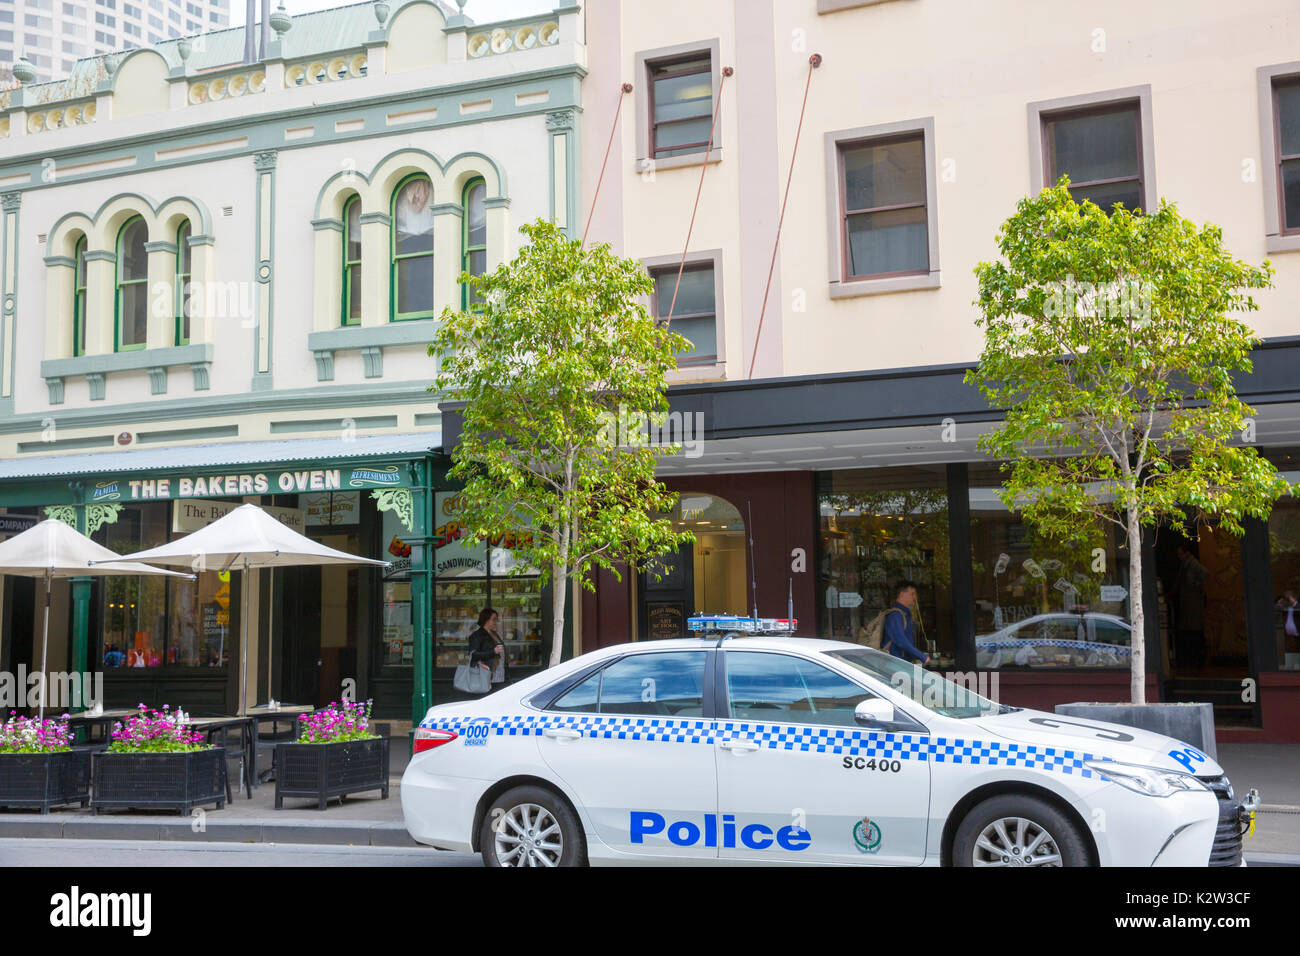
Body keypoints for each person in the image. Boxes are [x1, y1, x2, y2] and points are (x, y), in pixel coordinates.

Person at [1173, 543, 1209, 670]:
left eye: (1180, 553)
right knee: (1190, 628)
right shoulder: (1185, 564)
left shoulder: (1192, 563)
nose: (1179, 556)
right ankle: (1193, 658)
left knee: (1194, 628)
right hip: (1188, 600)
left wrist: (1195, 584)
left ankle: (1197, 659)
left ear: (1187, 553)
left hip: (1192, 601)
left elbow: (1205, 572)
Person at [884, 580, 929, 665]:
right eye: (912, 594)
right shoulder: (895, 615)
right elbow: (900, 640)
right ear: (901, 595)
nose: (915, 597)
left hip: (901, 663)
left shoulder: (904, 614)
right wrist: (922, 656)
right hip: (895, 665)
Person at [467, 607, 507, 688]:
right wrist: (493, 651)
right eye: (494, 619)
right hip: (487, 676)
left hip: (499, 676)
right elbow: (474, 654)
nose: (496, 622)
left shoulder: (494, 633)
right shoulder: (477, 635)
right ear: (486, 620)